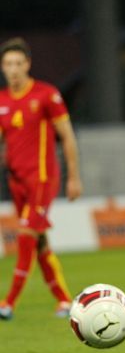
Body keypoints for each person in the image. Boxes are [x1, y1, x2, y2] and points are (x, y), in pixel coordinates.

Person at [0, 37, 82, 320]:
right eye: (8, 64)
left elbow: (67, 137)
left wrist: (74, 176)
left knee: (25, 236)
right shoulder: (2, 101)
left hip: (43, 179)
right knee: (40, 242)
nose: (13, 69)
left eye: (18, 63)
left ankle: (8, 302)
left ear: (28, 65)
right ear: (2, 66)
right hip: (17, 183)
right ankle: (63, 300)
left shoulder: (46, 95)